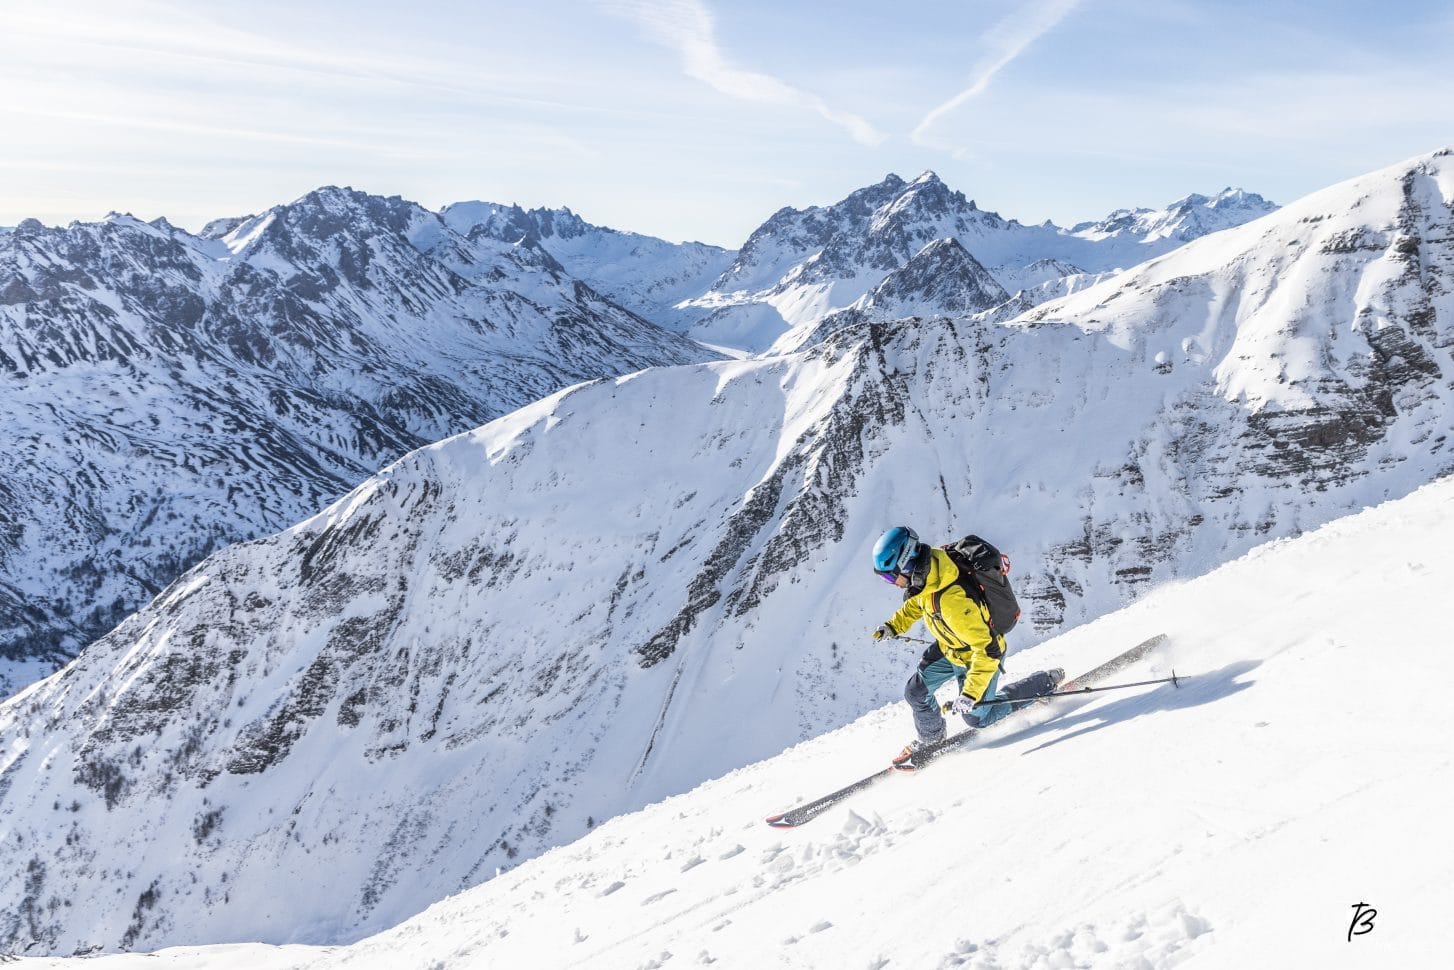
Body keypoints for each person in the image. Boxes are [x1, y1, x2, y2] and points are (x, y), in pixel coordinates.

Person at [869, 525, 1063, 768]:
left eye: (890, 576)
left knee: (978, 718)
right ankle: (931, 740)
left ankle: (1041, 684)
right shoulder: (929, 576)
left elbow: (988, 650)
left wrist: (969, 694)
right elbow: (916, 605)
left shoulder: (954, 601)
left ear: (907, 563)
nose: (891, 583)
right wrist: (894, 626)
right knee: (916, 692)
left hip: (977, 657)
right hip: (950, 649)